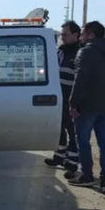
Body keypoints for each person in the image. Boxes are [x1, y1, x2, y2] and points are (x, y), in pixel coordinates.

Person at [67, 21, 105, 194]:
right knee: (104, 142)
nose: (80, 37)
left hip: (87, 106)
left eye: (83, 34)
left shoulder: (85, 53)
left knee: (83, 141)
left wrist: (73, 103)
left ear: (91, 36)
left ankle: (87, 176)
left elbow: (80, 80)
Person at [44, 21, 82, 178]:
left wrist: (76, 103)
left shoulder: (80, 54)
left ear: (76, 35)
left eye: (65, 34)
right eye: (61, 35)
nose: (63, 37)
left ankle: (72, 164)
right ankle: (59, 157)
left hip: (73, 101)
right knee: (59, 129)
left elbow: (82, 81)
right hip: (59, 99)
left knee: (73, 133)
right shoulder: (60, 52)